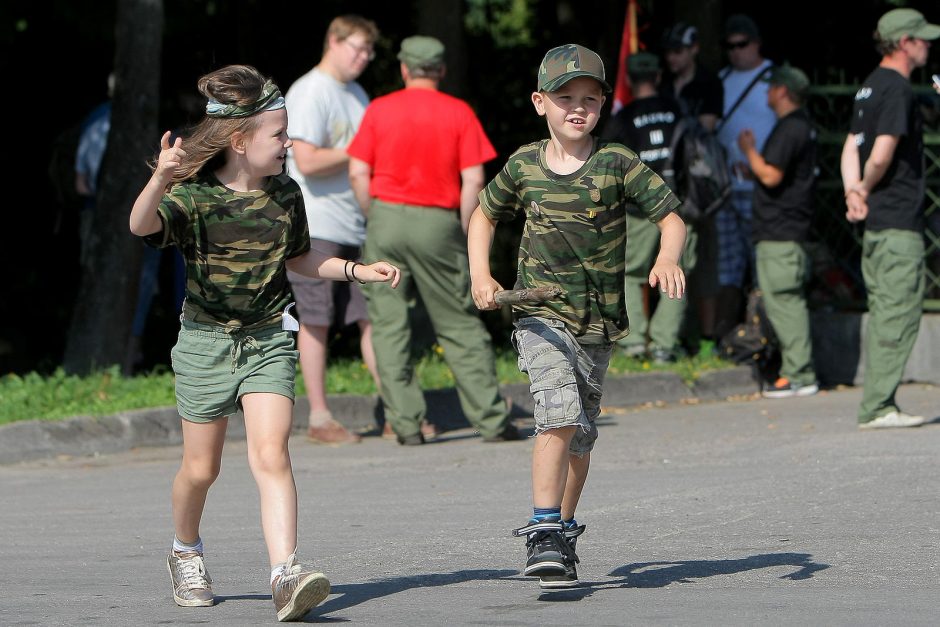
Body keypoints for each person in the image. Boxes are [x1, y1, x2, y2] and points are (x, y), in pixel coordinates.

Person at [128, 65, 400, 620]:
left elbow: (300, 256)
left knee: (272, 454)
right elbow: (140, 226)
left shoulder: (285, 193)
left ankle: (285, 575)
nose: (288, 143)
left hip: (269, 337)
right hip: (206, 341)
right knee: (201, 470)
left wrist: (356, 270)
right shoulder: (196, 197)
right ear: (240, 141)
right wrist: (161, 177)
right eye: (278, 134)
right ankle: (185, 550)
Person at [468, 44, 686, 588]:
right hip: (540, 314)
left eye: (589, 98)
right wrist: (481, 277)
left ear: (604, 103)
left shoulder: (617, 163)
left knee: (581, 436)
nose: (577, 108)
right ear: (541, 102)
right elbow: (482, 216)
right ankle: (543, 530)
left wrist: (666, 259)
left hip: (599, 323)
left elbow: (672, 218)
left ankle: (562, 528)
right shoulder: (523, 164)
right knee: (557, 412)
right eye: (564, 98)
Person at [347, 36, 517, 445]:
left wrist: (376, 216)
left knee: (388, 327)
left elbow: (357, 172)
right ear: (440, 71)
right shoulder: (458, 112)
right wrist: (459, 226)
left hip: (385, 217)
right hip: (438, 221)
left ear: (404, 69)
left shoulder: (379, 109)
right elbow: (474, 178)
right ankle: (492, 422)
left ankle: (406, 425)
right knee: (458, 322)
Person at [840, 9, 939, 429]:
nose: (928, 45)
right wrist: (864, 186)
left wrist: (852, 191)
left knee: (884, 310)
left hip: (877, 226)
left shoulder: (868, 87)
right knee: (899, 312)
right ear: (903, 42)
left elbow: (850, 145)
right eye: (922, 38)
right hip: (898, 222)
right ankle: (879, 407)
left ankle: (879, 404)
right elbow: (882, 149)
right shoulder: (898, 88)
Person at [284, 15, 381, 445]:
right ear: (333, 41)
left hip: (355, 220)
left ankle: (396, 409)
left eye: (369, 51)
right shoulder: (310, 91)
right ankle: (320, 418)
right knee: (316, 320)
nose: (364, 58)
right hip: (315, 222)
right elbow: (305, 161)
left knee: (373, 318)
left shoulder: (357, 94)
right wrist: (358, 150)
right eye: (357, 48)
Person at [602, 52, 692, 363]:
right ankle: (665, 344)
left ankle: (636, 342)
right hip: (678, 206)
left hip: (638, 209)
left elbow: (607, 163)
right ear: (656, 77)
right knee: (676, 271)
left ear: (628, 81)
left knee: (631, 274)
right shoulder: (677, 110)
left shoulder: (623, 118)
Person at [737, 65, 819, 398]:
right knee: (784, 299)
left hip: (781, 232)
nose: (768, 92)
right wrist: (752, 166)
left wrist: (749, 151)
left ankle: (799, 374)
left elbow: (771, 175)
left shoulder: (790, 127)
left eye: (772, 88)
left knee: (784, 300)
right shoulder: (800, 126)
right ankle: (798, 371)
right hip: (788, 229)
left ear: (783, 91)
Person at [660, 22, 725, 349]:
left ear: (694, 49)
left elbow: (706, 129)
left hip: (699, 183)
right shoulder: (664, 84)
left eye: (678, 51)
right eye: (669, 52)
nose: (672, 58)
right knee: (673, 260)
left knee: (703, 261)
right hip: (670, 180)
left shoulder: (709, 83)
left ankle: (708, 335)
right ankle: (678, 335)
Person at [715, 14, 776, 341]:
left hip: (760, 186)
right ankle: (728, 333)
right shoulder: (722, 77)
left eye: (741, 45)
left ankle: (761, 332)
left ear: (756, 44)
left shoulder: (772, 79)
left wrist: (760, 162)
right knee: (728, 263)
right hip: (727, 185)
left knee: (760, 261)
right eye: (729, 46)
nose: (735, 51)